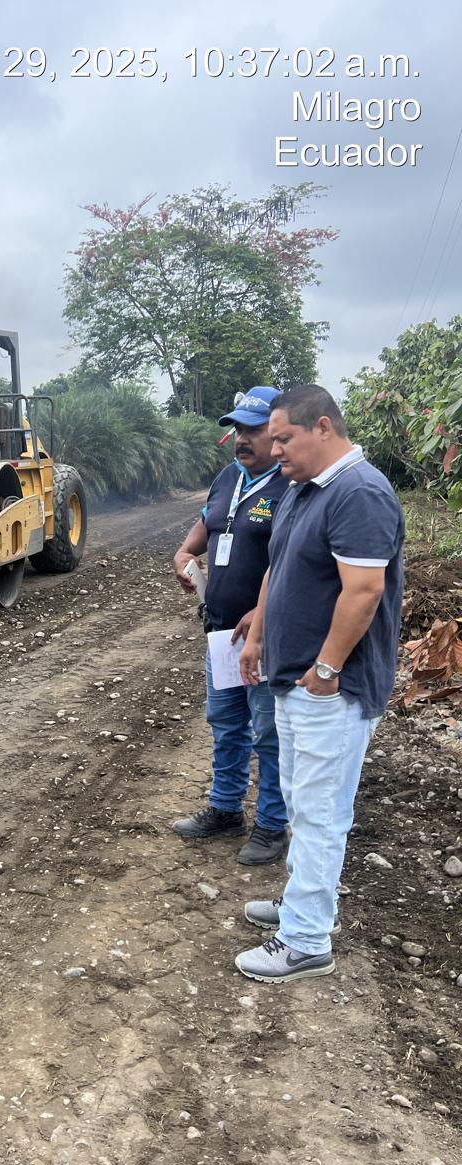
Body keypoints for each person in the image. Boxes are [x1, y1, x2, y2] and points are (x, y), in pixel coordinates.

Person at [237, 385, 404, 983]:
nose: (274, 448)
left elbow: (364, 590)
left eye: (284, 438)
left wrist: (328, 668)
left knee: (320, 812)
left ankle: (306, 940)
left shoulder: (359, 493)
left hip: (332, 687)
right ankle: (301, 902)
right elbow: (278, 568)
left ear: (324, 428)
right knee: (301, 799)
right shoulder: (304, 488)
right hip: (295, 679)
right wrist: (259, 635)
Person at [172, 386, 290, 865]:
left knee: (269, 732)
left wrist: (263, 612)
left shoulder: (291, 485)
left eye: (254, 429)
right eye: (238, 429)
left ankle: (272, 824)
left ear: (278, 433)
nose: (243, 438)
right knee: (226, 723)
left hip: (266, 637)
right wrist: (185, 552)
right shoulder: (228, 477)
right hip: (221, 633)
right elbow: (209, 524)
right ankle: (225, 809)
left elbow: (296, 561)